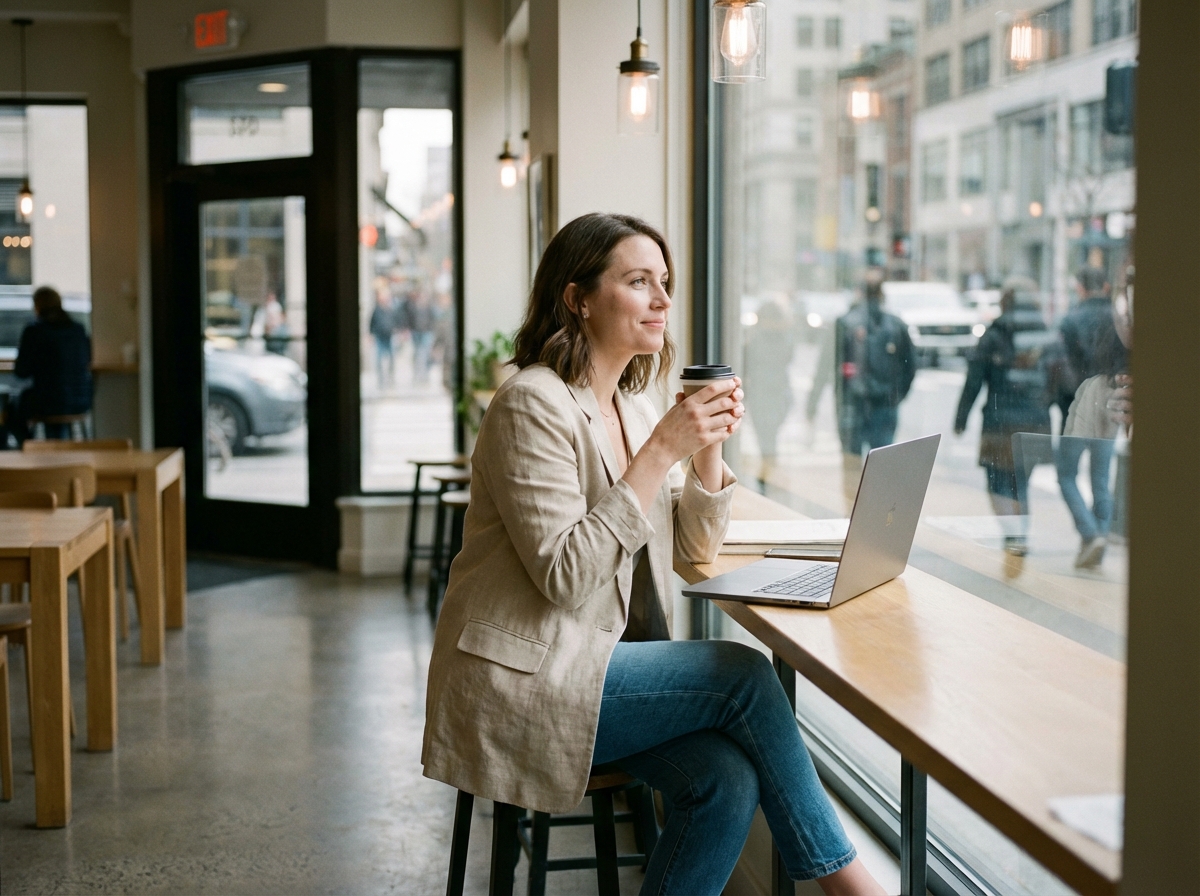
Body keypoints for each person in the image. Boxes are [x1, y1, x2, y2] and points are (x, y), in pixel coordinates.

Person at [422, 213, 883, 896]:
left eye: (663, 283)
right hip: (525, 676)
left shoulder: (630, 408)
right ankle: (854, 888)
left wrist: (707, 449)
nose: (664, 300)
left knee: (724, 780)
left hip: (595, 662)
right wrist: (664, 449)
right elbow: (567, 576)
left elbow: (693, 545)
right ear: (578, 298)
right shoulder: (531, 405)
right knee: (744, 674)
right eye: (639, 282)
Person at [953, 285, 1053, 556]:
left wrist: (960, 418)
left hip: (1000, 424)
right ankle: (1018, 535)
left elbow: (974, 381)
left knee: (997, 482)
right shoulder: (1043, 336)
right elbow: (1059, 380)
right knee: (1020, 481)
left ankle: (1012, 534)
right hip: (1035, 422)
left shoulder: (993, 336)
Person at [1055, 264, 1128, 568]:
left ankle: (1089, 534)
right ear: (1107, 288)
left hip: (1079, 407)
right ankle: (1098, 537)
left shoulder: (1070, 321)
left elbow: (1061, 367)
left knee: (1066, 474)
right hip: (1110, 405)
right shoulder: (1118, 322)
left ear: (1081, 289)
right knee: (1100, 478)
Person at [834, 277, 915, 506]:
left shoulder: (845, 322)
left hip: (853, 404)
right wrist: (896, 397)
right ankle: (878, 517)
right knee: (882, 465)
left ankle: (851, 513)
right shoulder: (896, 325)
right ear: (882, 295)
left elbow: (829, 368)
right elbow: (910, 367)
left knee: (851, 464)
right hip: (885, 405)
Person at [6, 286, 93, 445]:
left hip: (47, 402)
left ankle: (25, 448)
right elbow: (87, 360)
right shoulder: (78, 330)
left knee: (12, 409)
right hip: (82, 400)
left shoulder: (35, 331)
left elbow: (21, 372)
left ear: (37, 306)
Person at [742, 298, 795, 487]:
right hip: (779, 395)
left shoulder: (754, 339)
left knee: (766, 438)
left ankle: (766, 476)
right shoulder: (785, 338)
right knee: (770, 437)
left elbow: (746, 368)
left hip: (762, 395)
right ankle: (768, 473)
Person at [368, 284, 396, 389]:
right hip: (379, 336)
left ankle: (391, 377)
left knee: (391, 358)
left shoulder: (391, 309)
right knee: (379, 358)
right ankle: (381, 379)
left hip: (389, 336)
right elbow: (371, 322)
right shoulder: (377, 309)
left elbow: (396, 321)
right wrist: (370, 334)